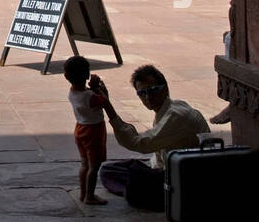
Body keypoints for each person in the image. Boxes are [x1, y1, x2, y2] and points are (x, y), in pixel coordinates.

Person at [92, 66, 210, 210]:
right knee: (109, 170)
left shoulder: (176, 115)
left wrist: (107, 106)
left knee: (135, 180)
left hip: (187, 179)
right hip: (168, 169)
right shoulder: (169, 109)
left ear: (164, 89)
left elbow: (139, 144)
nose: (148, 97)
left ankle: (153, 193)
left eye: (152, 90)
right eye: (142, 93)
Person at [63, 56, 107, 205]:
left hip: (80, 128)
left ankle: (83, 193)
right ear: (87, 75)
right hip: (93, 131)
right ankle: (90, 196)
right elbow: (105, 101)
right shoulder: (90, 96)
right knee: (94, 166)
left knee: (84, 163)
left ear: (66, 76)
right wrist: (99, 88)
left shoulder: (72, 93)